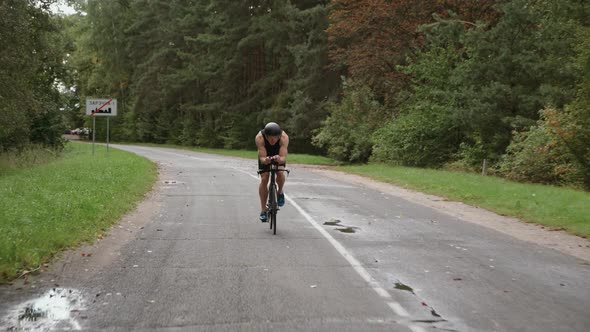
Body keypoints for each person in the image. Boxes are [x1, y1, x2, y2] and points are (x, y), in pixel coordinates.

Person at [256, 122, 289, 222]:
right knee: (265, 178)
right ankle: (263, 210)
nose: (272, 140)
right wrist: (265, 160)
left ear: (279, 136)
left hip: (278, 153)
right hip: (265, 154)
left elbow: (283, 157)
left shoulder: (284, 138)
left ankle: (279, 192)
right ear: (266, 135)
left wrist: (279, 158)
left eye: (275, 138)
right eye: (270, 138)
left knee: (280, 172)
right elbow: (262, 157)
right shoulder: (260, 138)